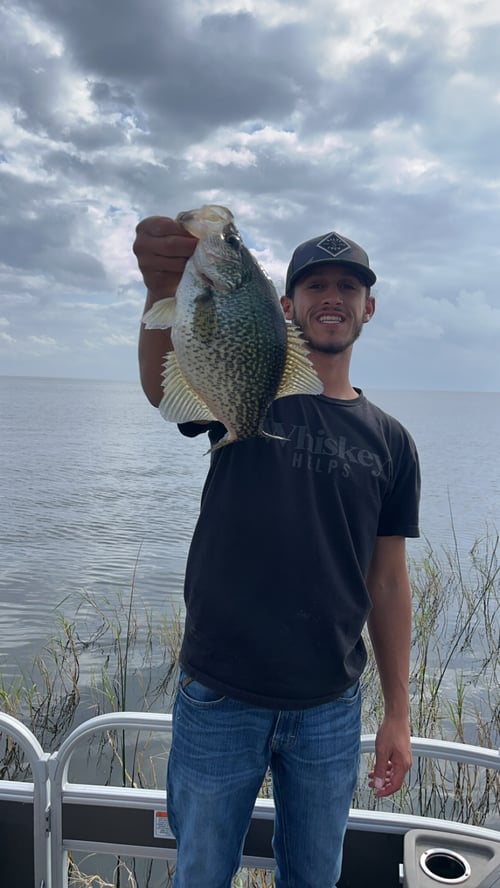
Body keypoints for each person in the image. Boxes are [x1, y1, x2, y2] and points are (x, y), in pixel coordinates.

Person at [134, 215, 421, 888]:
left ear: (368, 307)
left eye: (347, 286)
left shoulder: (393, 442)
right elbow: (162, 392)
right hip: (220, 691)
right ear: (283, 307)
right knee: (201, 874)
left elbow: (388, 583)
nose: (333, 297)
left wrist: (399, 715)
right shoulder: (250, 386)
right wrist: (156, 293)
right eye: (315, 284)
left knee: (315, 878)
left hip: (330, 703)